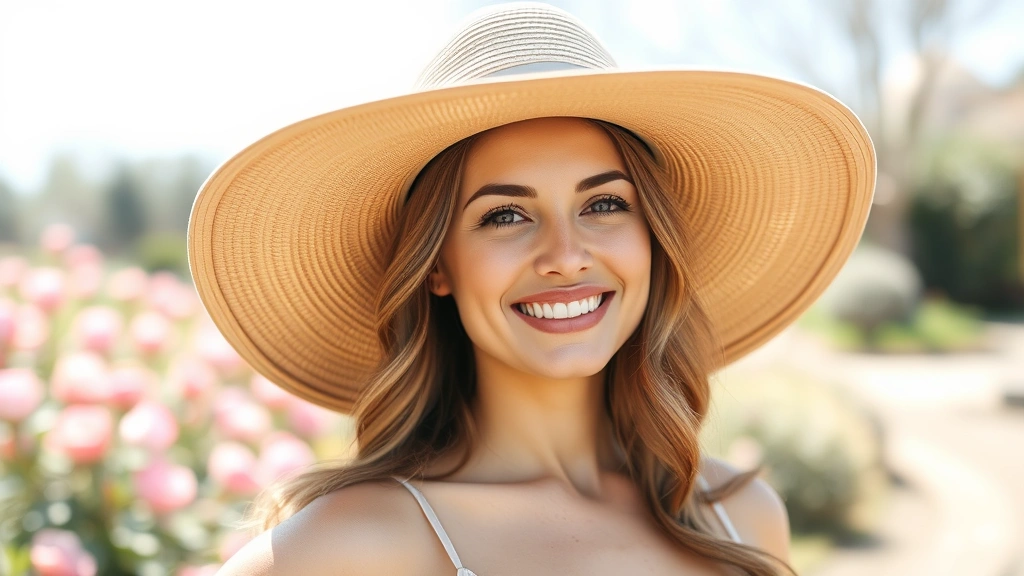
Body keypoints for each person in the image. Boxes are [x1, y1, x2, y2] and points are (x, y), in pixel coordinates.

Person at [187, 3, 875, 575]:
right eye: (505, 216)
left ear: (653, 238)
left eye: (605, 204)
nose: (566, 256)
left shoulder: (742, 517)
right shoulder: (351, 548)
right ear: (437, 266)